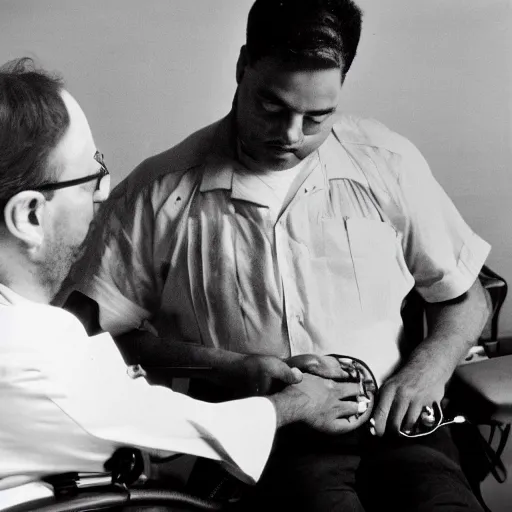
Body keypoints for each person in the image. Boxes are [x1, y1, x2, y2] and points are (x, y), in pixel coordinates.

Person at [63, 0, 492, 510]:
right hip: (271, 438)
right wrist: (231, 367)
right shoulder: (158, 194)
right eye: (273, 107)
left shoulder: (388, 163)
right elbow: (83, 342)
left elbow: (465, 298)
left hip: (399, 429)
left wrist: (431, 364)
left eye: (317, 117)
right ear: (243, 67)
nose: (291, 135)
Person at [0, 57, 371, 502]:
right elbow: (153, 422)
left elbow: (107, 390)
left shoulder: (31, 329)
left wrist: (238, 367)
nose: (104, 192)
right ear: (30, 214)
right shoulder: (29, 355)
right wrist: (300, 403)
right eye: (88, 179)